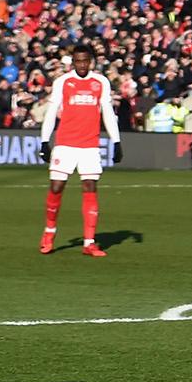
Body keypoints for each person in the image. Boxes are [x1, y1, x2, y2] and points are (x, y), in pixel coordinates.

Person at [37, 43, 120, 257]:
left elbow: (108, 112)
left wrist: (117, 141)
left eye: (85, 61)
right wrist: (45, 141)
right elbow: (51, 111)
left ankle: (89, 242)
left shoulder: (101, 82)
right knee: (56, 187)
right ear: (72, 62)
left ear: (91, 62)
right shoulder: (63, 82)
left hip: (90, 144)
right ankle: (49, 232)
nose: (82, 64)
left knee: (90, 186)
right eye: (78, 61)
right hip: (65, 143)